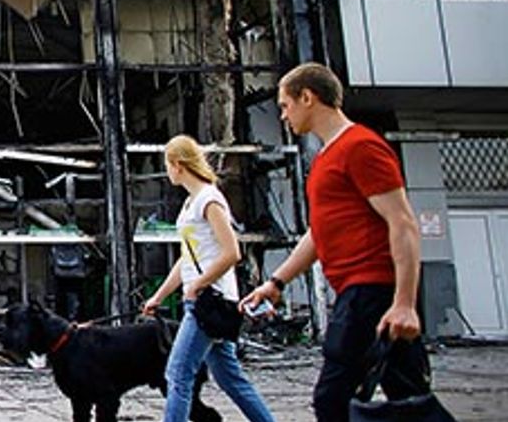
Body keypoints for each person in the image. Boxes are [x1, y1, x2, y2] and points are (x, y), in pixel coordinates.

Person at [240, 62, 427, 421]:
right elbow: (318, 233)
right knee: (408, 400)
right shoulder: (327, 159)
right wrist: (276, 282)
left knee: (333, 401)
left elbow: (402, 222)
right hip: (357, 293)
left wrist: (404, 303)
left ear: (307, 97)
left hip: (371, 292)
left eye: (285, 105)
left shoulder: (361, 147)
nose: (282, 115)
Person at [142, 135, 276, 422]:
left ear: (177, 165)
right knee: (229, 378)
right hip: (202, 298)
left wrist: (198, 285)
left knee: (177, 374)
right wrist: (160, 296)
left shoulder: (210, 199)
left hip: (210, 301)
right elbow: (187, 259)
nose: (167, 172)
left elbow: (232, 252)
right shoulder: (190, 204)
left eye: (167, 165)